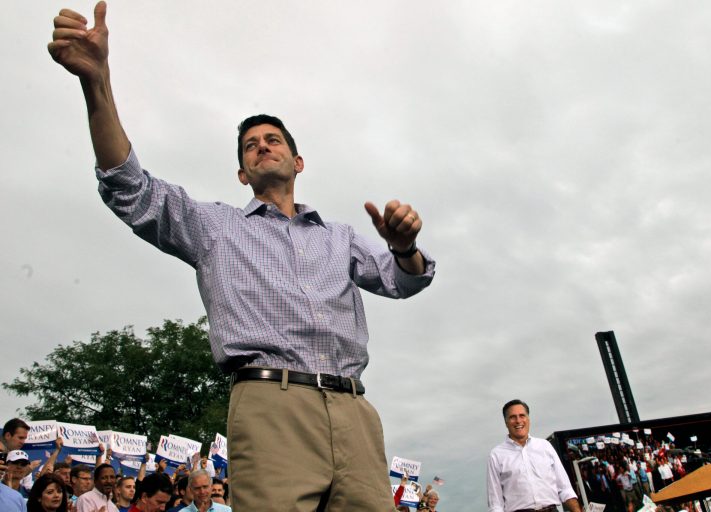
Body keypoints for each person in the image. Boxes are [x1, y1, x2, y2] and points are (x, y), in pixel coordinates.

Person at [48, 3, 436, 511]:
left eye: (273, 140)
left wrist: (404, 248)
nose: (262, 147)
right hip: (270, 405)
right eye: (250, 146)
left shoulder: (340, 236)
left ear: (297, 162)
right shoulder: (214, 227)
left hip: (354, 409)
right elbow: (130, 189)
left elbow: (403, 281)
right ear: (242, 173)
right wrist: (95, 83)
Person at [487, 399, 581, 512]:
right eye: (512, 417)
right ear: (506, 422)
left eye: (522, 415)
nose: (518, 420)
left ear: (528, 419)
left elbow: (565, 489)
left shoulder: (545, 446)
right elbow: (496, 504)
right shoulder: (496, 455)